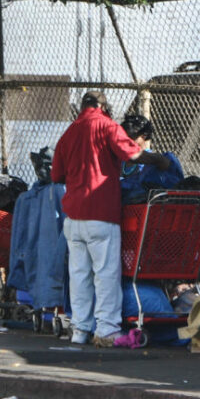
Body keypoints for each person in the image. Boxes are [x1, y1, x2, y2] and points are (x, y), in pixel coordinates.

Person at [51, 92, 170, 348]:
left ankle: (80, 330)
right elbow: (134, 155)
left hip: (73, 216)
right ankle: (106, 330)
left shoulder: (69, 132)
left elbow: (57, 174)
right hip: (101, 214)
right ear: (102, 107)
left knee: (79, 274)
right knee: (105, 275)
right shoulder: (107, 127)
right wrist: (159, 160)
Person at [120, 114, 153, 178]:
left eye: (131, 137)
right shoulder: (122, 159)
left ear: (144, 136)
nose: (127, 141)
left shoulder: (149, 160)